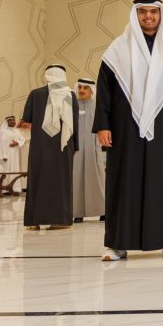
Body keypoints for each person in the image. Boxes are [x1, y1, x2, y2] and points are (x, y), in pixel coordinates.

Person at [95, 0, 163, 261]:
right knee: (123, 182)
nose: (148, 17)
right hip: (124, 128)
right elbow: (104, 90)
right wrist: (103, 125)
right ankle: (117, 244)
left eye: (153, 12)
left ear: (161, 15)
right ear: (135, 15)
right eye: (143, 12)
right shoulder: (118, 49)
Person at [21, 65, 79, 229]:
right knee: (61, 181)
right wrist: (76, 146)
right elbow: (75, 123)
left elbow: (26, 121)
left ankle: (34, 222)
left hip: (39, 146)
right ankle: (60, 221)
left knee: (38, 179)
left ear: (46, 75)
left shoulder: (35, 94)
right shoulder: (70, 95)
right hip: (63, 146)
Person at [72, 78, 105, 222]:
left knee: (98, 178)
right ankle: (77, 212)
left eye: (85, 88)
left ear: (92, 90)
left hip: (94, 148)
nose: (81, 90)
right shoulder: (73, 106)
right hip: (76, 149)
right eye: (80, 87)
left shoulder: (98, 106)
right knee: (76, 178)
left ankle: (103, 210)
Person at [0, 115, 26, 194]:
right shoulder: (3, 131)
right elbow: (1, 145)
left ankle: (15, 188)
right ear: (7, 122)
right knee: (6, 171)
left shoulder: (16, 131)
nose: (13, 121)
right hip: (6, 156)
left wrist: (17, 143)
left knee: (14, 170)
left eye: (14, 120)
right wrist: (3, 155)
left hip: (15, 155)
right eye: (11, 120)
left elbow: (22, 139)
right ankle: (4, 189)